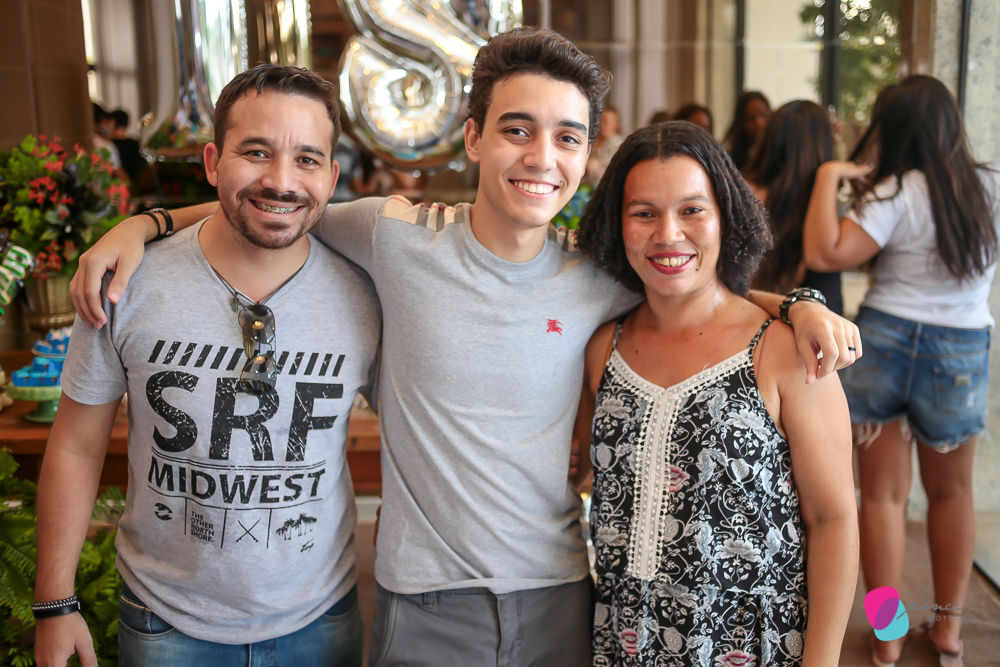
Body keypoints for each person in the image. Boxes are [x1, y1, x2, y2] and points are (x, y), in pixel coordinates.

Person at [71, 28, 860, 666]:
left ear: (587, 155)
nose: (541, 157)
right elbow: (277, 202)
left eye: (566, 137)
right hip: (424, 602)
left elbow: (692, 282)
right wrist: (143, 225)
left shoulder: (597, 274)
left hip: (559, 591)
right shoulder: (393, 235)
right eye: (517, 130)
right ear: (475, 137)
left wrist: (795, 306)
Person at [34, 64, 379, 667]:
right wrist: (54, 604)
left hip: (318, 620)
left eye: (306, 159)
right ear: (213, 162)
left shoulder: (367, 294)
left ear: (330, 175)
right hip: (166, 623)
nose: (281, 180)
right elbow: (75, 446)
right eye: (256, 152)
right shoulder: (128, 284)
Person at [575, 121, 858, 666]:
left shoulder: (784, 351)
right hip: (626, 641)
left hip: (749, 645)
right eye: (643, 213)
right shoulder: (603, 349)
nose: (668, 234)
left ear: (726, 215)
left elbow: (834, 520)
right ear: (616, 223)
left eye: (692, 210)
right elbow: (589, 478)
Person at [804, 74, 1000, 667]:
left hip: (885, 342)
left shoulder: (893, 192)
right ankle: (948, 631)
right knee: (953, 492)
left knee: (883, 498)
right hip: (960, 350)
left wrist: (828, 175)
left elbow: (824, 253)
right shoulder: (991, 184)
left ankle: (888, 634)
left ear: (894, 129)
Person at [746, 100, 843, 315]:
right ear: (820, 143)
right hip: (807, 317)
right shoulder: (819, 199)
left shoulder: (747, 191)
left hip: (762, 313)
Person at [723, 90, 771, 173]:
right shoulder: (732, 159)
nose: (759, 123)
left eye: (763, 115)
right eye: (751, 118)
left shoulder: (778, 154)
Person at [586, 104, 625, 185]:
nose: (603, 125)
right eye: (601, 121)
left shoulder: (617, 142)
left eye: (607, 122)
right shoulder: (594, 141)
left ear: (616, 124)